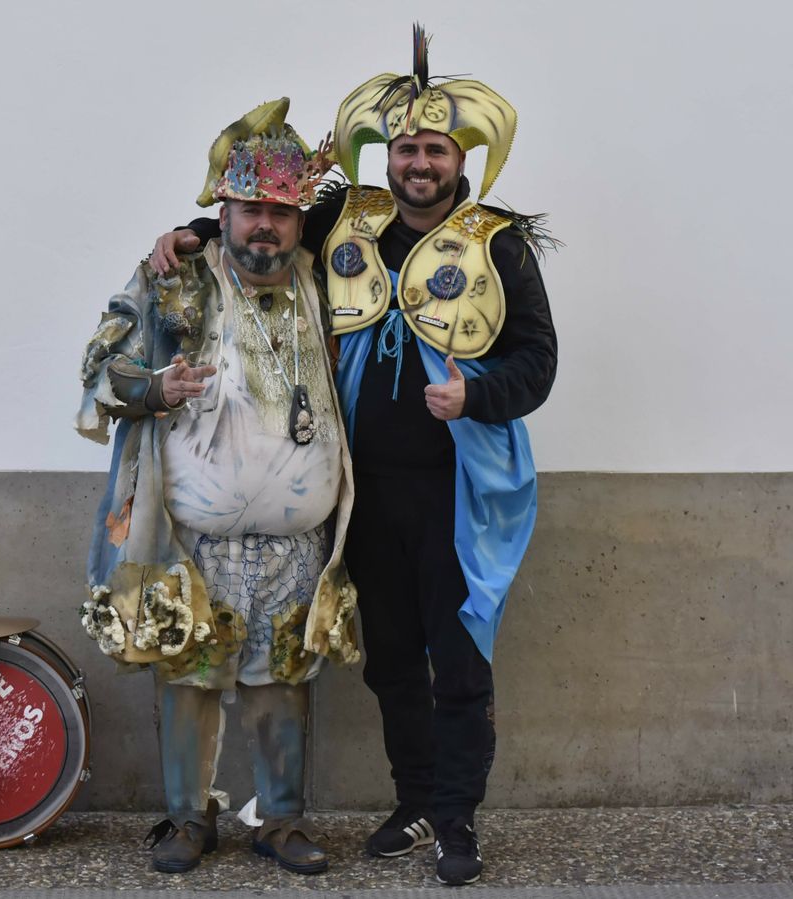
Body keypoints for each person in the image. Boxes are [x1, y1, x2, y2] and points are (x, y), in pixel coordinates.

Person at [150, 27, 557, 886]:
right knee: (393, 660)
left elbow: (537, 360)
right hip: (361, 497)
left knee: (458, 659)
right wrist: (187, 236)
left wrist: (476, 397)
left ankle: (456, 819)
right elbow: (264, 219)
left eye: (435, 150)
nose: (418, 163)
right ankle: (413, 802)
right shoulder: (348, 216)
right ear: (389, 155)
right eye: (406, 147)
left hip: (457, 491)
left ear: (460, 160)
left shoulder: (499, 244)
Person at [75, 98, 359, 876]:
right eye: (247, 209)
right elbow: (101, 367)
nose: (263, 224)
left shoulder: (330, 281)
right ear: (221, 210)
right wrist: (156, 389)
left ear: (301, 217)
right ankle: (185, 819)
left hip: (297, 542)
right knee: (190, 678)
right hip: (195, 537)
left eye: (279, 209)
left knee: (283, 684)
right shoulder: (173, 277)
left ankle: (282, 820)